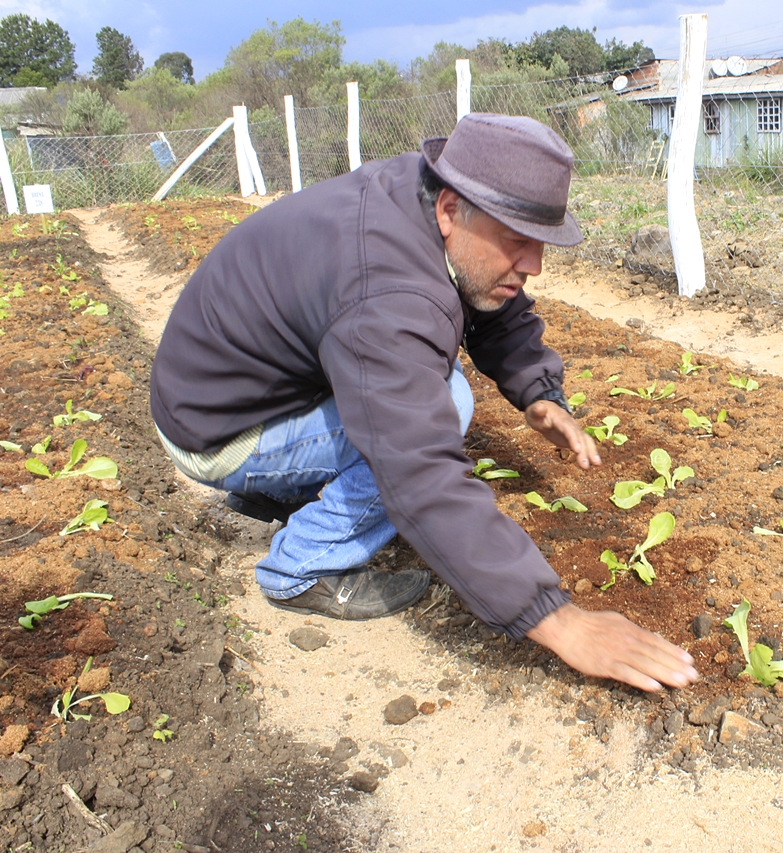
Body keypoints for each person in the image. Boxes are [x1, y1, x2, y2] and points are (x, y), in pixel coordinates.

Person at [150, 113, 697, 693]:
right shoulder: (387, 291)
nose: (534, 264)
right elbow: (418, 471)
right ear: (450, 211)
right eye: (518, 240)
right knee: (445, 404)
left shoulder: (423, 197)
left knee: (440, 383)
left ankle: (273, 492)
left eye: (540, 242)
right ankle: (300, 566)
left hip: (236, 393)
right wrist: (558, 620)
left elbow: (487, 292)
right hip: (219, 432)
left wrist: (537, 391)